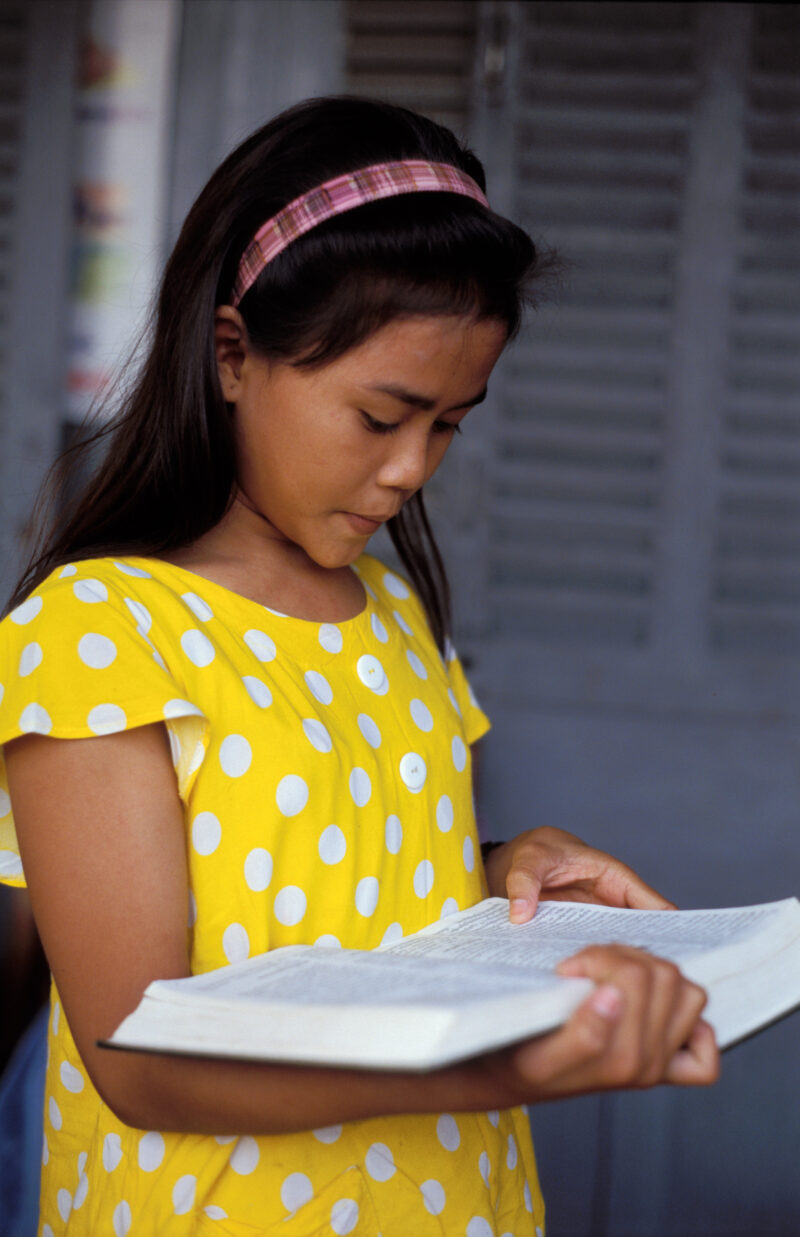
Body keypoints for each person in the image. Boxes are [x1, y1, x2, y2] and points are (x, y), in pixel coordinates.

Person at [0, 96, 718, 1237]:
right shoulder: (98, 634)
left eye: (447, 425)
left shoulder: (390, 608)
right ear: (234, 355)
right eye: (380, 415)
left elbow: (339, 892)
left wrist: (498, 871)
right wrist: (500, 1067)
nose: (408, 471)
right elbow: (139, 1061)